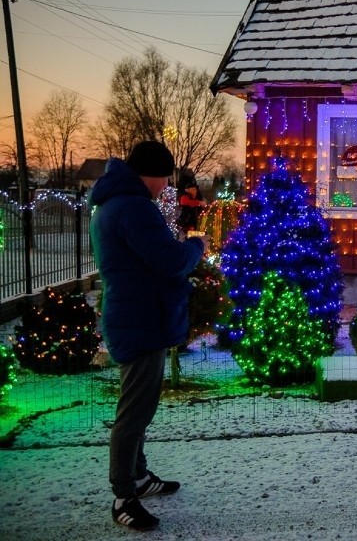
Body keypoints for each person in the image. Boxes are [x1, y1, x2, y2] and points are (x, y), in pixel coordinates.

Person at [89, 140, 208, 531]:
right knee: (134, 413)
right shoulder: (133, 207)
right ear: (151, 174)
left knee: (141, 408)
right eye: (165, 178)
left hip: (136, 316)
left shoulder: (116, 204)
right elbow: (170, 261)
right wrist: (195, 246)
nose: (167, 186)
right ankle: (124, 496)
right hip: (139, 320)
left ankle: (139, 478)